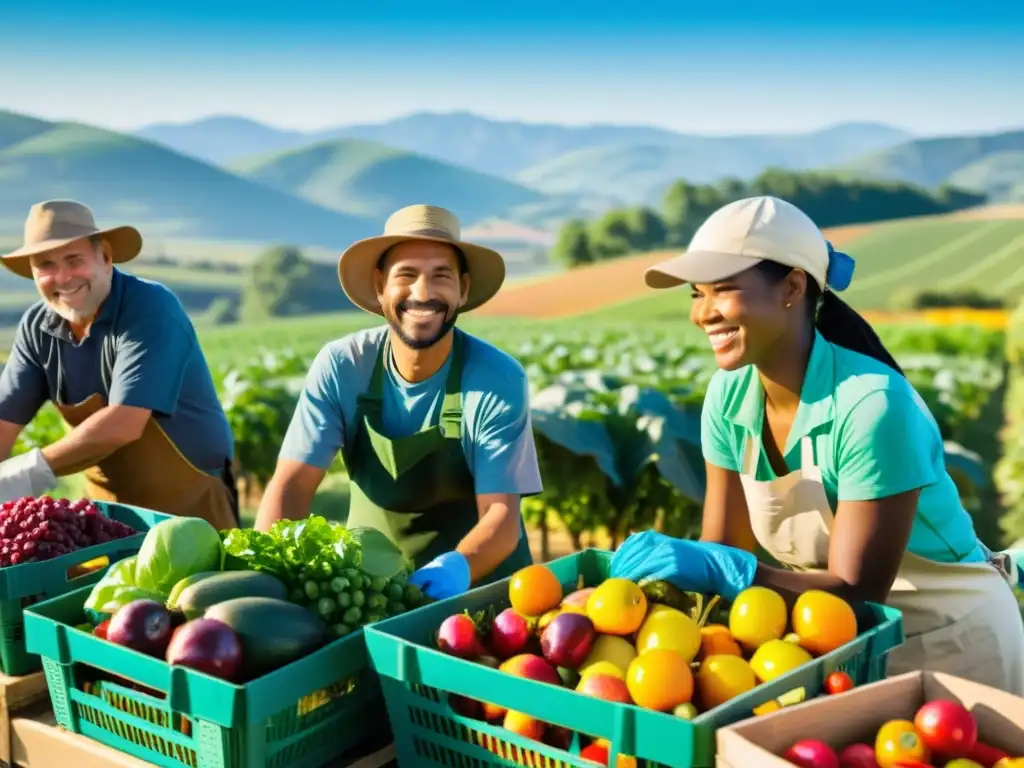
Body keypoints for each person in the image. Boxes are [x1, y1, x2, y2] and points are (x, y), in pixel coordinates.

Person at [611, 195, 1024, 695]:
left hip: (954, 642)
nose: (704, 314)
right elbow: (723, 545)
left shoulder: (872, 406)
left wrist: (725, 570)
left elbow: (858, 588)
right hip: (837, 647)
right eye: (696, 294)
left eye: (723, 290)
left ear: (792, 286)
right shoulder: (727, 397)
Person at [255, 204, 542, 600]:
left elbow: (501, 516)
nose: (422, 294)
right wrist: (266, 574)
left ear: (464, 289)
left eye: (441, 276)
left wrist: (457, 568)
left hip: (480, 589)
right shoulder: (343, 366)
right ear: (380, 286)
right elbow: (291, 485)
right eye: (406, 275)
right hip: (363, 590)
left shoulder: (496, 378)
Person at [0, 200, 239, 530]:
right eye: (46, 265)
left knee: (202, 584)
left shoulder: (149, 308)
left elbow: (125, 423)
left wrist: (27, 470)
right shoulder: (37, 328)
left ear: (106, 258)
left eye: (74, 260)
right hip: (104, 516)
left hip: (191, 509)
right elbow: (3, 421)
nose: (63, 278)